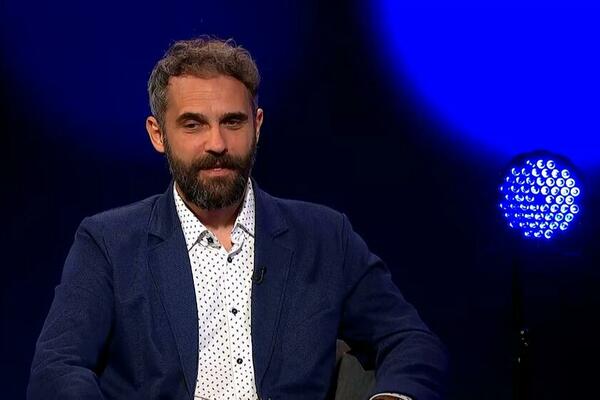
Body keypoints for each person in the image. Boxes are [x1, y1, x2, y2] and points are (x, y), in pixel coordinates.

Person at [27, 37, 447, 400]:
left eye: (232, 121)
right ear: (158, 134)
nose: (217, 143)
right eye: (193, 125)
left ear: (257, 126)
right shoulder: (109, 243)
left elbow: (409, 339)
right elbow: (57, 368)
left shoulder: (323, 237)